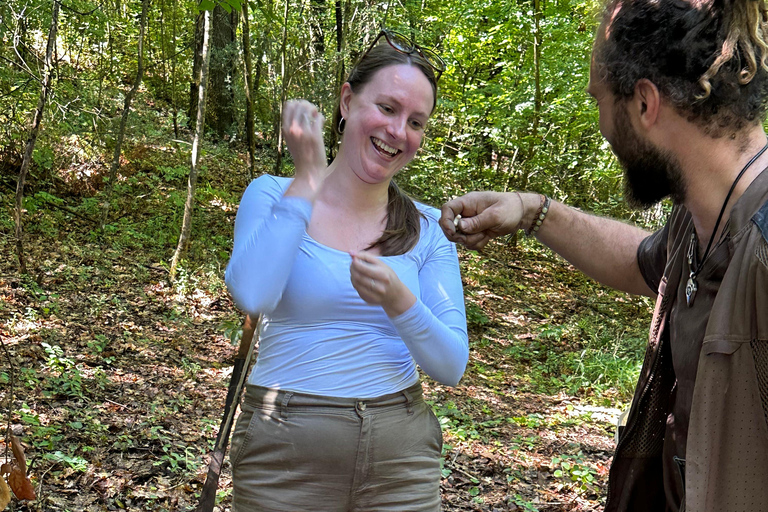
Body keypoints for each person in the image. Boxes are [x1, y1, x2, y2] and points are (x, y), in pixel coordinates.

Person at [440, 1, 768, 511]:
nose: (600, 124)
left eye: (600, 101)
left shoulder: (763, 245)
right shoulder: (699, 221)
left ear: (644, 103)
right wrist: (531, 211)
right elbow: (642, 262)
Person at [224, 29, 468, 512]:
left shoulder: (426, 227)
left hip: (401, 460)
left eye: (416, 121)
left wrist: (401, 302)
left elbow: (451, 365)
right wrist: (308, 179)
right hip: (283, 453)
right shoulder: (274, 194)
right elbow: (252, 295)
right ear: (346, 100)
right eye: (388, 108)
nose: (399, 131)